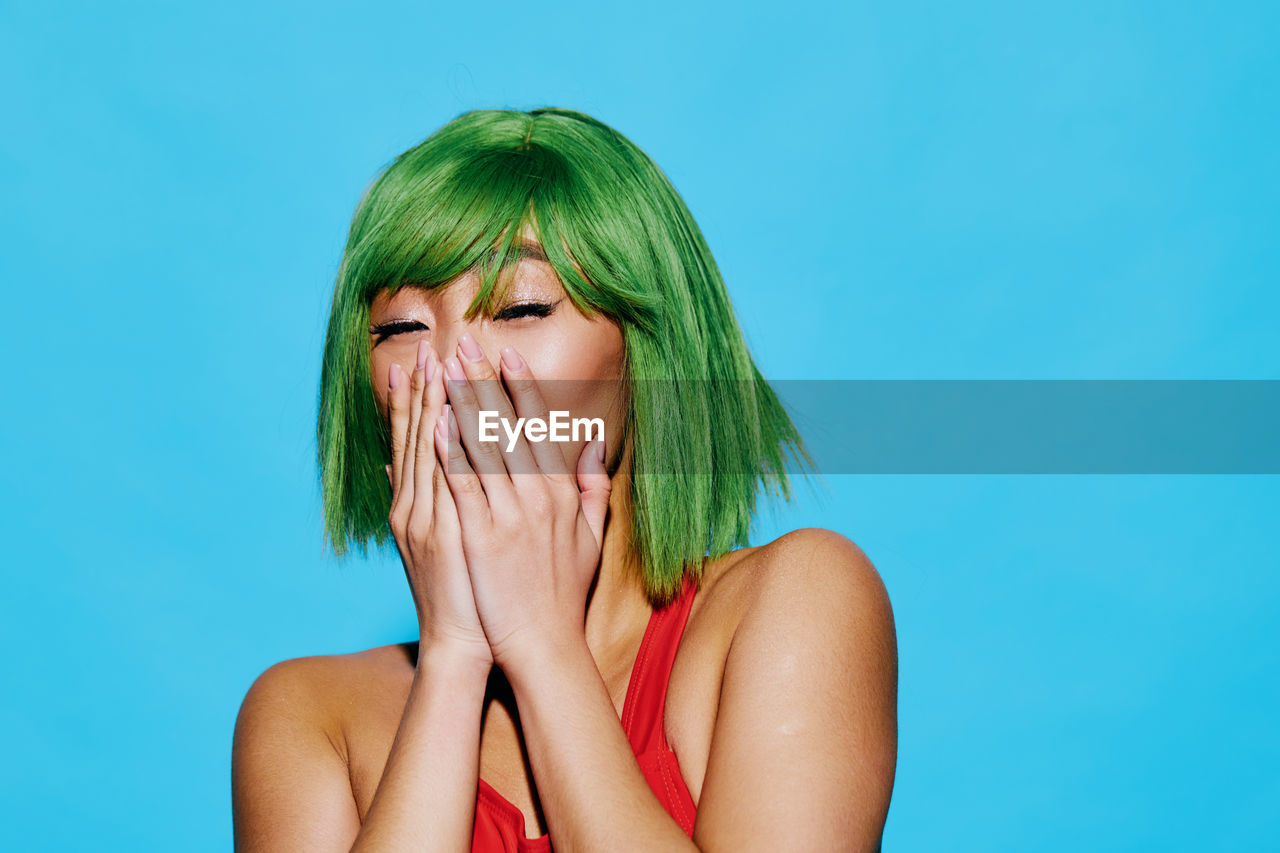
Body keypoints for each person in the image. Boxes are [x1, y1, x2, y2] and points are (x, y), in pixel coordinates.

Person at [231, 106, 897, 852]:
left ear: (648, 354)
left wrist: (542, 640)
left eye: (519, 307)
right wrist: (454, 651)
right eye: (401, 329)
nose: (454, 371)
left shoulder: (798, 601)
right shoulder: (305, 715)